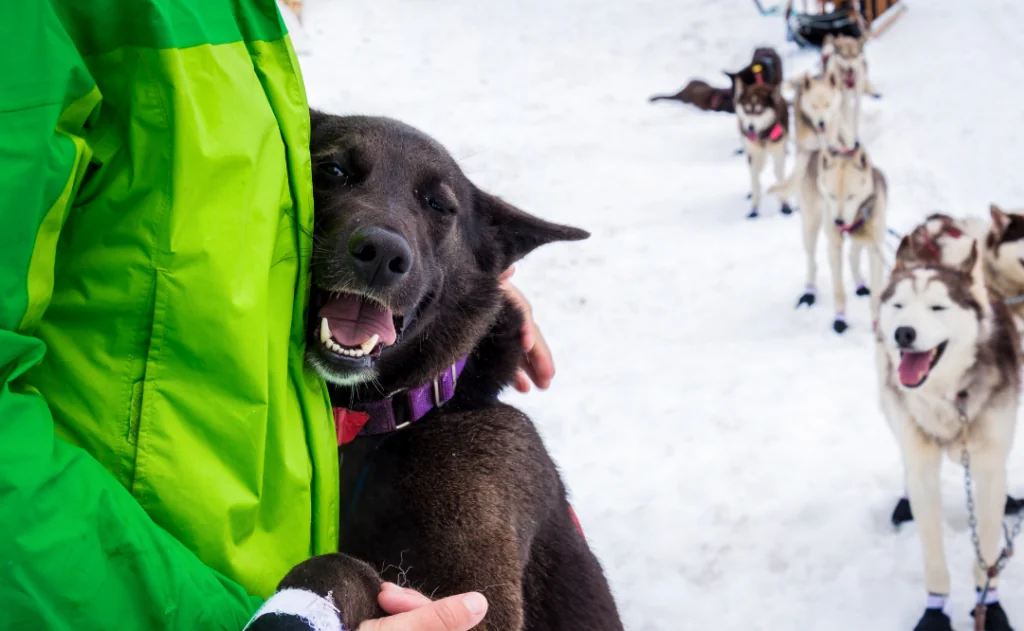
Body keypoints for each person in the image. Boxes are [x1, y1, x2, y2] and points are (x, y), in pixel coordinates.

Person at [0, 2, 554, 629]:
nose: (385, 241)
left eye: (438, 208)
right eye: (335, 173)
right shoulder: (52, 21)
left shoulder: (247, 31)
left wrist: (467, 298)